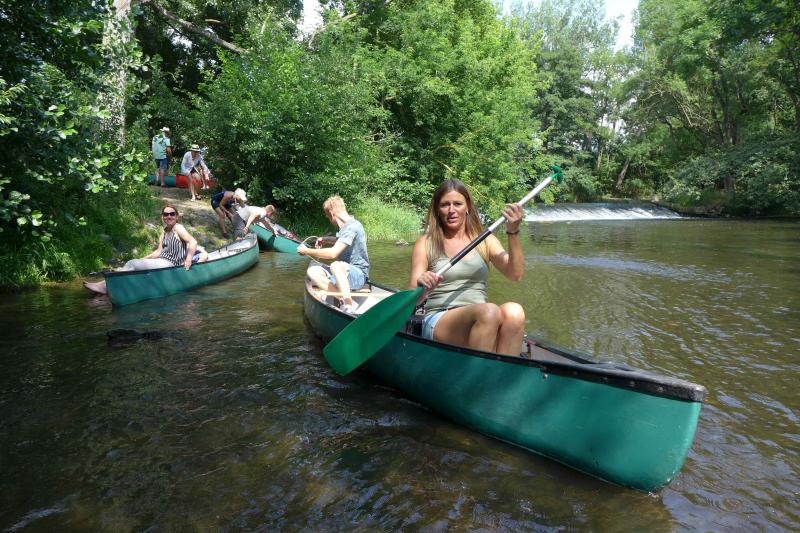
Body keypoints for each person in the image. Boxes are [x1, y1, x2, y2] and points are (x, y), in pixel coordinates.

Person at [409, 179, 525, 356]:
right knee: (489, 311)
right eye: (445, 205)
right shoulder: (425, 243)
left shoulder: (485, 240)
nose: (451, 210)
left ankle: (502, 369)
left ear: (468, 207)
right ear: (437, 210)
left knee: (514, 312)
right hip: (440, 318)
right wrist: (422, 285)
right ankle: (478, 370)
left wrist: (513, 232)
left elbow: (515, 275)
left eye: (457, 204)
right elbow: (411, 298)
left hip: (484, 319)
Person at [83, 205, 208, 295]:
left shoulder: (178, 227)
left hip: (172, 263)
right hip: (162, 261)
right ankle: (106, 285)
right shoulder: (164, 232)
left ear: (176, 216)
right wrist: (142, 259)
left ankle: (105, 287)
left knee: (132, 263)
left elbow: (193, 242)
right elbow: (158, 252)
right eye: (166, 214)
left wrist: (188, 259)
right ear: (162, 217)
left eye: (172, 214)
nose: (169, 216)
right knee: (133, 264)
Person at [297, 195, 369, 312]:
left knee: (336, 265)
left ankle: (349, 304)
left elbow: (333, 254)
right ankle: (342, 299)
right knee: (312, 271)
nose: (330, 221)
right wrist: (326, 239)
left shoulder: (352, 227)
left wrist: (306, 251)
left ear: (331, 213)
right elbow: (342, 240)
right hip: (343, 272)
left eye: (328, 217)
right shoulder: (345, 227)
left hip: (358, 275)